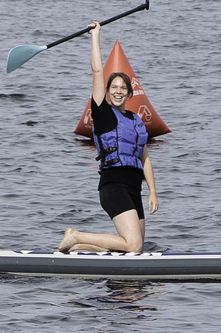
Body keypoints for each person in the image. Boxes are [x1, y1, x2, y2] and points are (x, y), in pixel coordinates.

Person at [57, 22, 158, 253]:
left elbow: (145, 157)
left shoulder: (136, 120)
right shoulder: (103, 113)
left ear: (130, 94)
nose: (118, 91)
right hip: (113, 185)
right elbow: (97, 70)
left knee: (136, 249)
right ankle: (75, 235)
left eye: (123, 88)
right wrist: (95, 36)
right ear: (108, 91)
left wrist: (152, 191)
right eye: (114, 87)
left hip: (135, 187)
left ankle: (81, 246)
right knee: (133, 245)